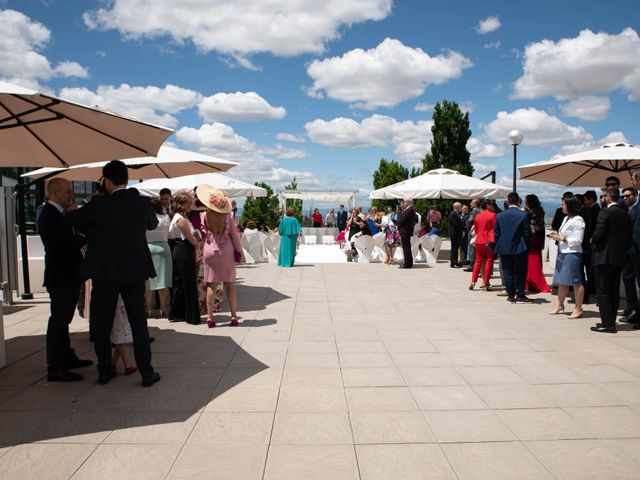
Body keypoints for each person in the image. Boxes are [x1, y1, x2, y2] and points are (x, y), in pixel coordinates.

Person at [65, 160, 160, 387]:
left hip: (105, 273)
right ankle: (146, 372)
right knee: (138, 322)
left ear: (106, 180)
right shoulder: (143, 203)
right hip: (135, 271)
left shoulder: (98, 205)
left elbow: (72, 220)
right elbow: (152, 224)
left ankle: (104, 371)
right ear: (126, 179)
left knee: (103, 322)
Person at [39, 178, 92, 382]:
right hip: (60, 276)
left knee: (64, 319)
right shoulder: (50, 215)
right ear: (55, 194)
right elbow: (68, 242)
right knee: (58, 321)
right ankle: (56, 365)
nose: (71, 195)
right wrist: (81, 235)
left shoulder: (59, 213)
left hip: (68, 275)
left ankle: (66, 356)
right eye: (67, 191)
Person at [196, 185, 243, 328]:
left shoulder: (203, 215)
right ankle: (234, 316)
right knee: (229, 285)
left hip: (210, 250)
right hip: (226, 251)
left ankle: (210, 317)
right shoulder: (227, 215)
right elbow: (234, 236)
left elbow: (203, 235)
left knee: (211, 284)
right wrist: (239, 252)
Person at [590, 187, 632, 333]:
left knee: (603, 291)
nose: (601, 199)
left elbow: (599, 232)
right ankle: (610, 322)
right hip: (619, 258)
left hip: (604, 257)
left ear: (609, 196)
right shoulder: (625, 214)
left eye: (602, 196)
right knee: (613, 291)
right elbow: (628, 238)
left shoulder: (605, 212)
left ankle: (607, 324)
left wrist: (592, 240)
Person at [547, 196, 585, 318]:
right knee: (562, 280)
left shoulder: (578, 220)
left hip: (572, 253)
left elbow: (578, 240)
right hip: (563, 252)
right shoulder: (566, 218)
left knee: (575, 281)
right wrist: (555, 235)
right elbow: (563, 234)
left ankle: (578, 308)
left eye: (564, 204)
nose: (562, 206)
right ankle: (559, 304)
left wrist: (562, 238)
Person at [169, 191, 202, 325]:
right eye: (189, 202)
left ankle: (177, 313)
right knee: (188, 284)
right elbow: (192, 239)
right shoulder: (181, 219)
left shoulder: (180, 218)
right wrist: (198, 240)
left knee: (181, 284)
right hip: (184, 250)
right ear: (182, 204)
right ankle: (191, 316)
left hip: (182, 250)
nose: (191, 205)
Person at [494, 192, 532, 303]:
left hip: (504, 247)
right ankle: (520, 293)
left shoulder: (500, 215)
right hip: (520, 247)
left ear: (508, 201)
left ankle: (510, 295)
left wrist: (499, 243)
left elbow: (496, 233)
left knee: (507, 271)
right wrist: (527, 246)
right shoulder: (523, 215)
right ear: (518, 201)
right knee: (521, 271)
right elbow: (527, 233)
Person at [145, 197, 172, 318]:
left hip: (149, 248)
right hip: (163, 248)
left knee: (149, 282)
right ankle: (163, 308)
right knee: (162, 282)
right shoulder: (166, 218)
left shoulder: (145, 219)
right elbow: (171, 234)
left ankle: (148, 308)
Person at [524, 194, 551, 294]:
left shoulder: (528, 212)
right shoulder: (540, 211)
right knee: (536, 259)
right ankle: (536, 280)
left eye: (526, 202)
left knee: (531, 260)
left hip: (531, 238)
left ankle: (532, 282)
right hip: (539, 238)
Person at [620, 187, 639, 324]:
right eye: (624, 196)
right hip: (627, 253)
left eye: (628, 196)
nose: (626, 198)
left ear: (635, 195)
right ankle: (633, 310)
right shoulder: (626, 210)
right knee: (628, 282)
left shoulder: (637, 208)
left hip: (636, 252)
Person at [469, 199, 496, 291]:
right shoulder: (492, 215)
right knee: (489, 260)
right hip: (489, 240)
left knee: (478, 261)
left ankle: (473, 282)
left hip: (479, 240)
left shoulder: (477, 216)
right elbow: (495, 229)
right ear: (488, 206)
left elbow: (476, 230)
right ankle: (486, 282)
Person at [579, 190, 599, 302]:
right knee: (588, 270)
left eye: (586, 199)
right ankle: (590, 290)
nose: (585, 202)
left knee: (587, 270)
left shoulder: (592, 210)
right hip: (588, 245)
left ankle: (588, 292)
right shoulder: (590, 210)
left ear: (591, 199)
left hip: (587, 245)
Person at [396, 199, 417, 269]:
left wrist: (398, 225)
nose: (403, 203)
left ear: (408, 202)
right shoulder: (408, 209)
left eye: (404, 202)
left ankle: (407, 263)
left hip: (405, 231)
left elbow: (402, 219)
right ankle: (408, 262)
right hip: (405, 231)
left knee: (406, 248)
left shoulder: (410, 209)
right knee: (406, 247)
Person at [448, 202, 464, 268]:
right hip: (454, 234)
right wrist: (461, 232)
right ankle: (453, 262)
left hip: (456, 234)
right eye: (460, 207)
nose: (461, 208)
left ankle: (455, 262)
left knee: (456, 248)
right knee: (454, 249)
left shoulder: (456, 213)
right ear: (457, 207)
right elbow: (456, 225)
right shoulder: (453, 214)